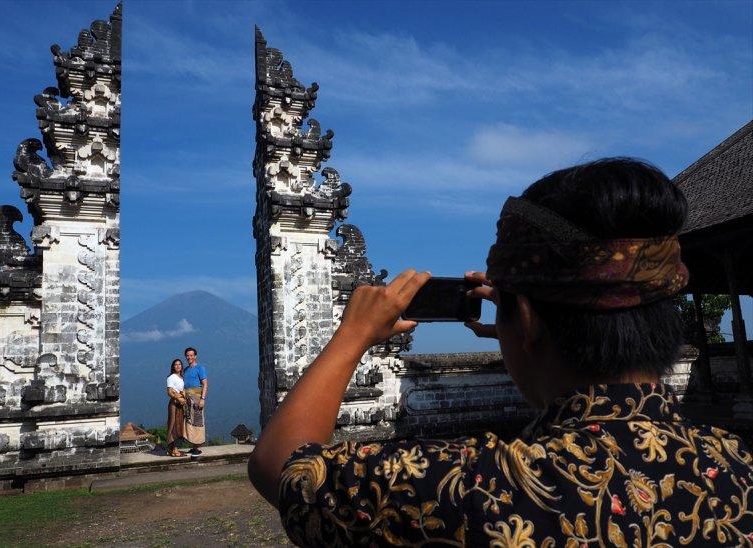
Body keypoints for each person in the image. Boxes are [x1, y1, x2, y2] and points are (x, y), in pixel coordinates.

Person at [248, 158, 753, 545]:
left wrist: (351, 337)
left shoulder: (476, 487)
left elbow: (283, 468)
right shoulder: (737, 467)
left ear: (528, 320)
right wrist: (522, 330)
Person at [182, 346, 207, 455]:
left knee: (197, 421)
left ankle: (197, 447)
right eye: (187, 355)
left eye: (191, 355)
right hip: (187, 399)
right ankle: (193, 445)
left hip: (197, 398)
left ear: (195, 356)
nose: (189, 357)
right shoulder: (186, 370)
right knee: (189, 422)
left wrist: (202, 399)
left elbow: (205, 383)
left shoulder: (200, 368)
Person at [165, 358, 186, 457]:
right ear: (173, 367)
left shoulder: (181, 377)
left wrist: (183, 397)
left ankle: (173, 449)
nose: (178, 366)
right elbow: (169, 392)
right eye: (176, 364)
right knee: (173, 425)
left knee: (179, 426)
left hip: (180, 404)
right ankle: (174, 449)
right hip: (174, 404)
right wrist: (178, 398)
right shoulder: (171, 377)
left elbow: (180, 390)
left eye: (179, 364)